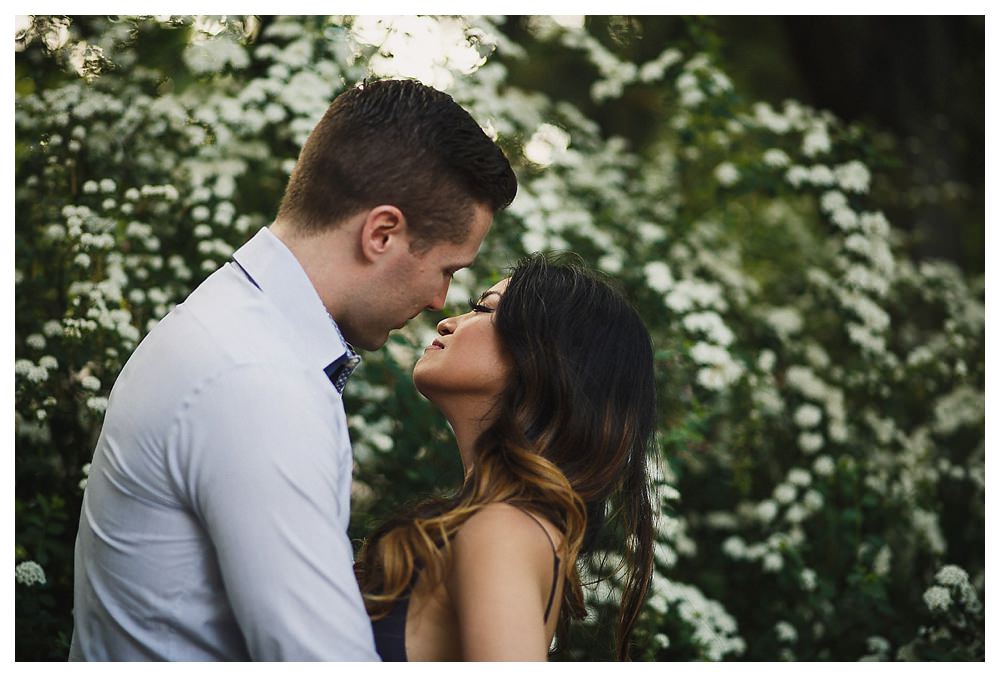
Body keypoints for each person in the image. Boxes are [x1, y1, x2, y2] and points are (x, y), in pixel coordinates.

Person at [68, 79, 517, 661]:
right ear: (382, 234)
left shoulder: (234, 328)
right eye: (447, 270)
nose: (440, 300)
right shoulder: (258, 380)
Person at [356, 253, 657, 661]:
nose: (448, 321)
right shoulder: (499, 522)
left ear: (542, 359)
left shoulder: (506, 527)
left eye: (485, 309)